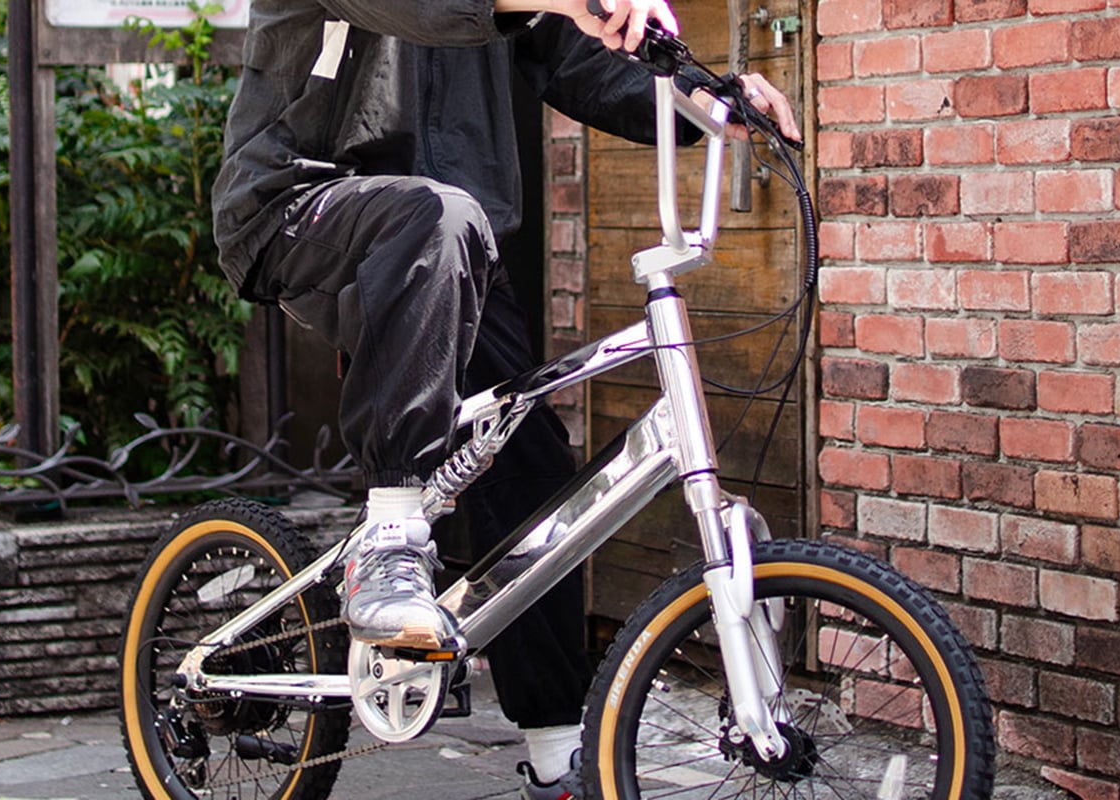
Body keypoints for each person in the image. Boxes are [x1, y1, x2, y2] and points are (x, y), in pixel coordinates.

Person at [212, 0, 799, 795]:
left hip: (456, 247)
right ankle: (389, 540)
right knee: (435, 219)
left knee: (531, 468)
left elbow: (578, 59)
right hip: (298, 205)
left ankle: (559, 749)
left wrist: (706, 95)